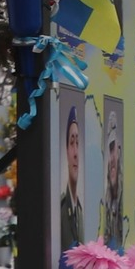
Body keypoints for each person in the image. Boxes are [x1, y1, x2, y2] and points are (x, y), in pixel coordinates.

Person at [60, 107, 86, 257]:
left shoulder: (80, 211)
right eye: (71, 143)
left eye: (78, 143)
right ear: (66, 150)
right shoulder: (61, 208)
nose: (76, 153)